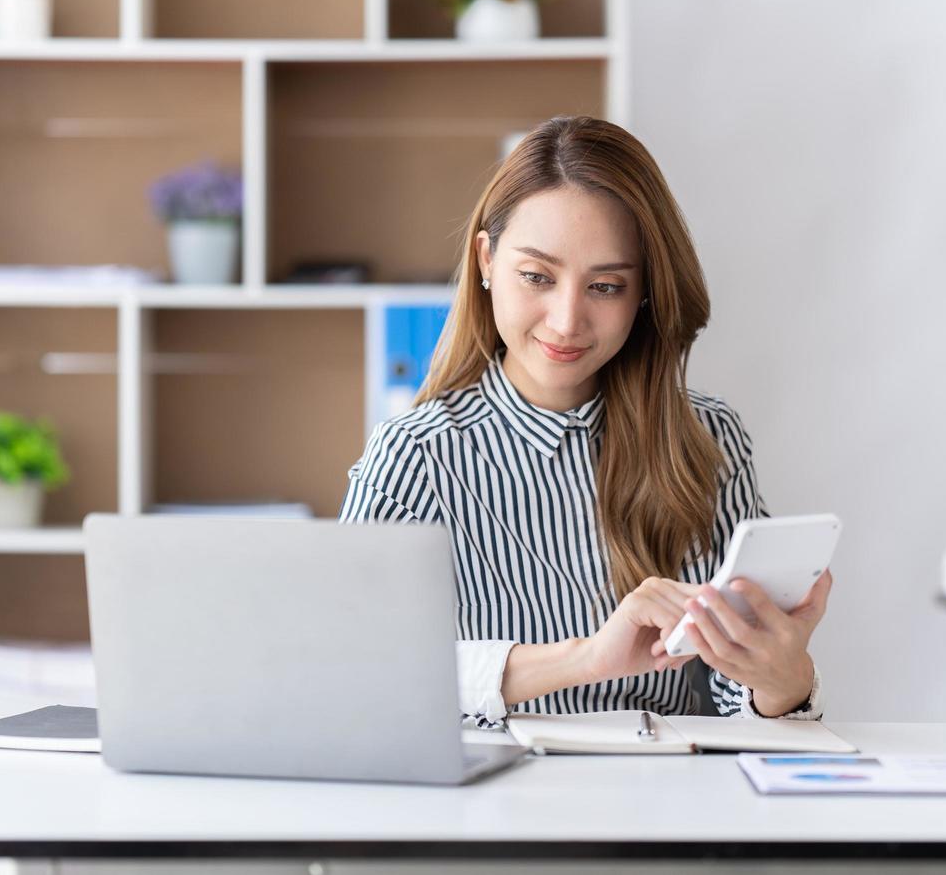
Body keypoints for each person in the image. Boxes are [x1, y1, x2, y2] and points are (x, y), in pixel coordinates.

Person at [339, 115, 830, 726]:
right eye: (537, 277)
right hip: (489, 812)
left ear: (644, 294)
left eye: (605, 287)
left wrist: (781, 684)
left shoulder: (703, 439)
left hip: (665, 806)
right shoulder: (414, 458)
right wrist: (586, 659)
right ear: (487, 260)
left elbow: (733, 697)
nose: (567, 321)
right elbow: (352, 677)